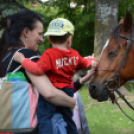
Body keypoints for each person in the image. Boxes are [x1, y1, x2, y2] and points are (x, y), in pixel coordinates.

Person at [0, 10, 96, 134]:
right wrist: (72, 102)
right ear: (26, 32)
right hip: (32, 129)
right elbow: (49, 93)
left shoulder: (4, 55)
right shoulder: (26, 55)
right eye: (39, 34)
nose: (41, 40)